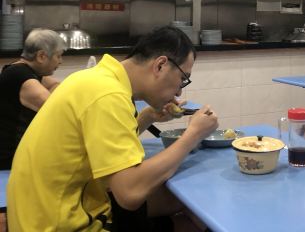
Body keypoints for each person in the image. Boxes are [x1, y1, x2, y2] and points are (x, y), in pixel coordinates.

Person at [7, 26, 219, 231]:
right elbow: (129, 193)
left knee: (175, 201)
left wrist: (148, 117)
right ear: (160, 65)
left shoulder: (97, 79)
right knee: (186, 210)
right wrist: (193, 135)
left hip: (39, 216)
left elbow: (99, 143)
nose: (179, 92)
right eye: (182, 79)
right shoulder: (109, 95)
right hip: (60, 224)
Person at [0, 28, 66, 169]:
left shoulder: (23, 70)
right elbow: (56, 110)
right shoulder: (20, 76)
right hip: (9, 161)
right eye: (58, 56)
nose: (61, 61)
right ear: (41, 56)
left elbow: (57, 86)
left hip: (18, 155)